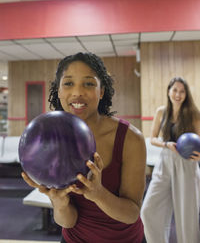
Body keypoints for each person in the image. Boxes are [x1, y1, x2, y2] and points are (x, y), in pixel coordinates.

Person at [22, 52, 146, 243]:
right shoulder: (51, 140)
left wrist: (99, 195)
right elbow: (68, 221)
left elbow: (131, 214)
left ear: (101, 91)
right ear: (59, 90)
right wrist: (59, 202)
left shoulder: (130, 139)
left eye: (88, 83)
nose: (78, 92)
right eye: (68, 83)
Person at [141, 76, 200, 243]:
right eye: (175, 90)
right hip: (165, 161)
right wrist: (166, 145)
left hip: (187, 164)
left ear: (186, 94)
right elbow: (152, 138)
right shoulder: (162, 112)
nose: (178, 94)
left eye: (182, 91)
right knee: (148, 211)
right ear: (168, 91)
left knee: (187, 216)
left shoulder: (193, 114)